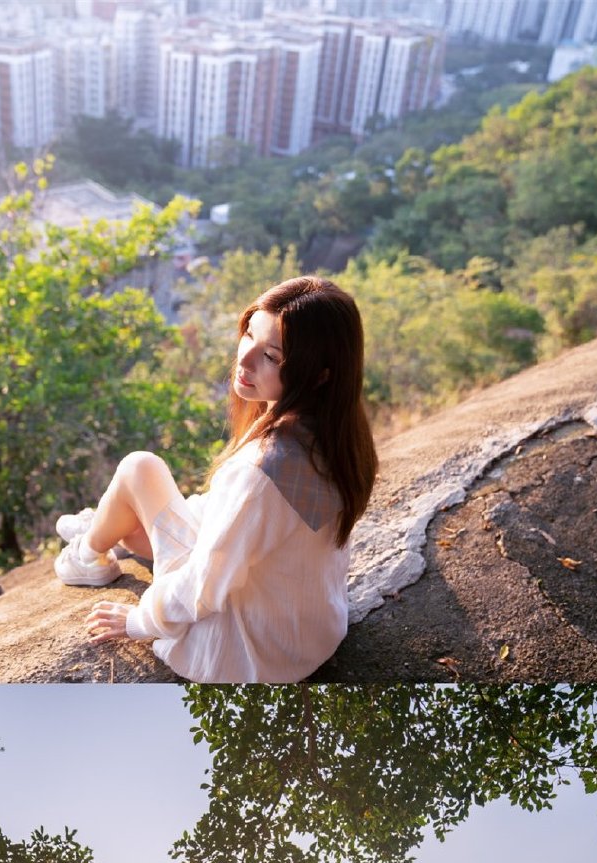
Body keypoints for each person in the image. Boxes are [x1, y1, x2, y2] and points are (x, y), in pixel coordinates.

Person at [53, 276, 378, 685]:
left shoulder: (261, 471)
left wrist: (138, 621)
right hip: (309, 632)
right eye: (249, 335)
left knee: (140, 468)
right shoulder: (339, 437)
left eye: (272, 356)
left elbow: (204, 586)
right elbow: (242, 522)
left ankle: (87, 554)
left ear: (318, 375)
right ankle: (108, 524)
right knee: (148, 518)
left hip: (249, 651)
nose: (245, 360)